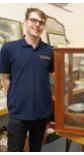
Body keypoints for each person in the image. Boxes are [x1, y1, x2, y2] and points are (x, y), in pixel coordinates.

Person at [0, 8, 54, 152]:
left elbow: (48, 76)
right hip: (19, 112)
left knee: (36, 148)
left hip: (42, 112)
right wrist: (16, 98)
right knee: (14, 149)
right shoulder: (9, 48)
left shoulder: (50, 50)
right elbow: (4, 78)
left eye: (41, 22)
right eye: (33, 20)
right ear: (25, 21)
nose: (37, 24)